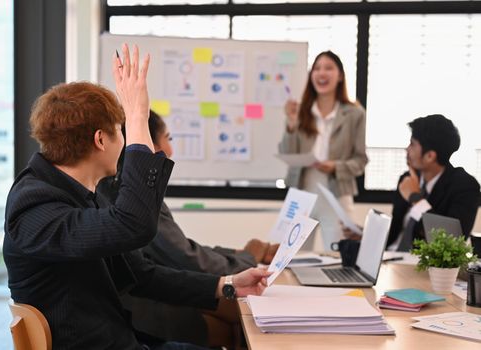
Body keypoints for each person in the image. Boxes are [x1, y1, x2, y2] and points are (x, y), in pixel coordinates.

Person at [3, 43, 271, 350]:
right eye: (121, 130)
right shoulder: (35, 204)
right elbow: (135, 225)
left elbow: (141, 275)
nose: (127, 139)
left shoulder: (79, 195)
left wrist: (228, 285)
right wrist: (137, 114)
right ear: (101, 139)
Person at [98, 111, 279, 348]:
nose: (170, 151)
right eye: (168, 138)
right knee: (243, 318)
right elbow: (182, 256)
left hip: (162, 291)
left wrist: (239, 255)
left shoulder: (120, 186)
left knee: (242, 315)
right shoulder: (130, 193)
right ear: (148, 142)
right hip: (152, 305)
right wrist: (248, 257)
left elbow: (181, 248)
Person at [279, 51, 368, 250]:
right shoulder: (300, 111)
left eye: (328, 68)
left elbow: (360, 160)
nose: (322, 73)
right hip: (301, 192)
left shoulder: (354, 113)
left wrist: (335, 166)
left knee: (337, 258)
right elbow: (288, 153)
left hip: (337, 195)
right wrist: (292, 123)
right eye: (317, 68)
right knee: (291, 258)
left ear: (341, 75)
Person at [385, 114, 480, 251]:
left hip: (423, 265)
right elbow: (396, 230)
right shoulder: (407, 179)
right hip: (390, 257)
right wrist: (362, 234)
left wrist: (415, 198)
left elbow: (451, 241)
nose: (407, 149)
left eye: (412, 144)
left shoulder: (465, 186)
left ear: (430, 156)